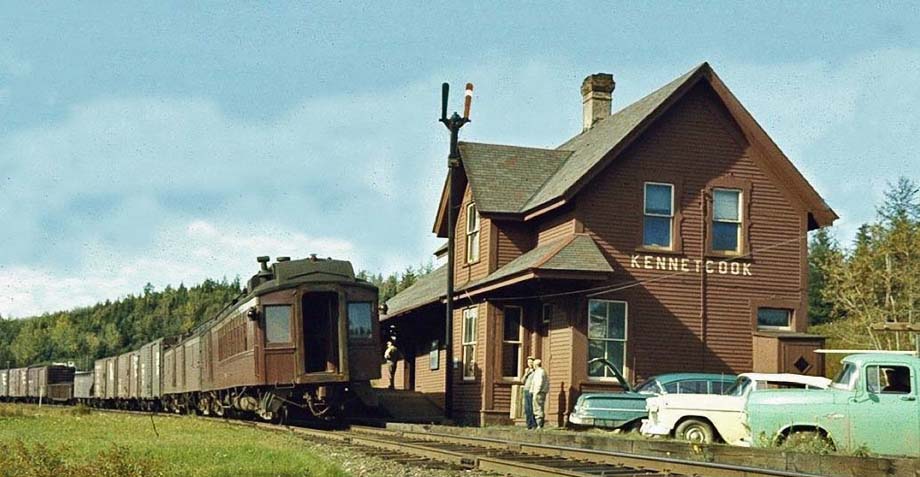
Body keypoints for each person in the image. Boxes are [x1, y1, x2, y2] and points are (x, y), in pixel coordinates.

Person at [530, 358, 549, 429]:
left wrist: (536, 391)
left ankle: (539, 424)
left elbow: (539, 383)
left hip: (539, 392)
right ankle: (539, 423)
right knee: (538, 407)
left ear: (536, 365)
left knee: (538, 408)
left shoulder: (540, 372)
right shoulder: (539, 372)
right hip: (539, 392)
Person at [521, 357, 536, 429]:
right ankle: (528, 424)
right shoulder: (527, 371)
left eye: (531, 362)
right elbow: (522, 381)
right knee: (527, 408)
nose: (529, 364)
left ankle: (533, 424)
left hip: (532, 390)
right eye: (528, 363)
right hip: (526, 390)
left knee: (532, 407)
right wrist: (526, 374)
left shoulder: (536, 371)